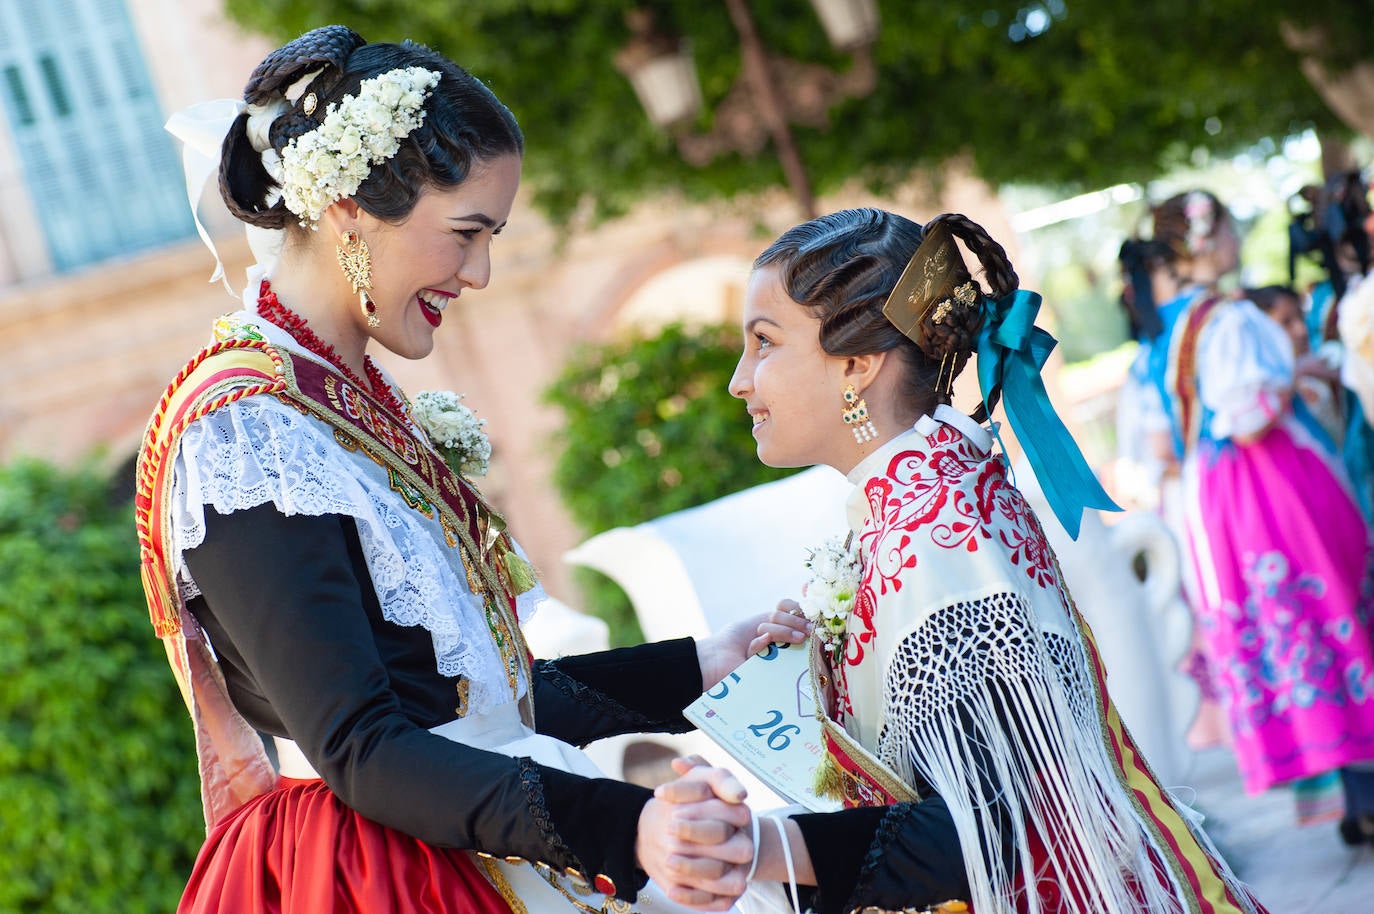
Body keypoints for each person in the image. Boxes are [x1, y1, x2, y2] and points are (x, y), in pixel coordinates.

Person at [136, 25, 806, 914]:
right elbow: (361, 745)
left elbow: (486, 703)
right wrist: (621, 825)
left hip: (473, 829)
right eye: (466, 232)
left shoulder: (339, 404)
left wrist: (700, 664)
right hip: (394, 874)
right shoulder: (249, 435)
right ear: (349, 209)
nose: (481, 272)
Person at [652, 207, 1271, 914]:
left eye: (763, 344)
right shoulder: (919, 498)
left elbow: (984, 824)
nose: (740, 380)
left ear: (856, 364)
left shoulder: (940, 525)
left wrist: (758, 846)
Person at [1121, 192, 1374, 837]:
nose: (1237, 238)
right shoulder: (1223, 320)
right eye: (1230, 227)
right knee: (1332, 606)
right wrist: (1295, 375)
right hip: (1267, 486)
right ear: (1207, 242)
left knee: (1298, 626)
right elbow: (1251, 411)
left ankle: (1350, 793)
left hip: (1213, 499)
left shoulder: (1164, 334)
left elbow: (1157, 446)